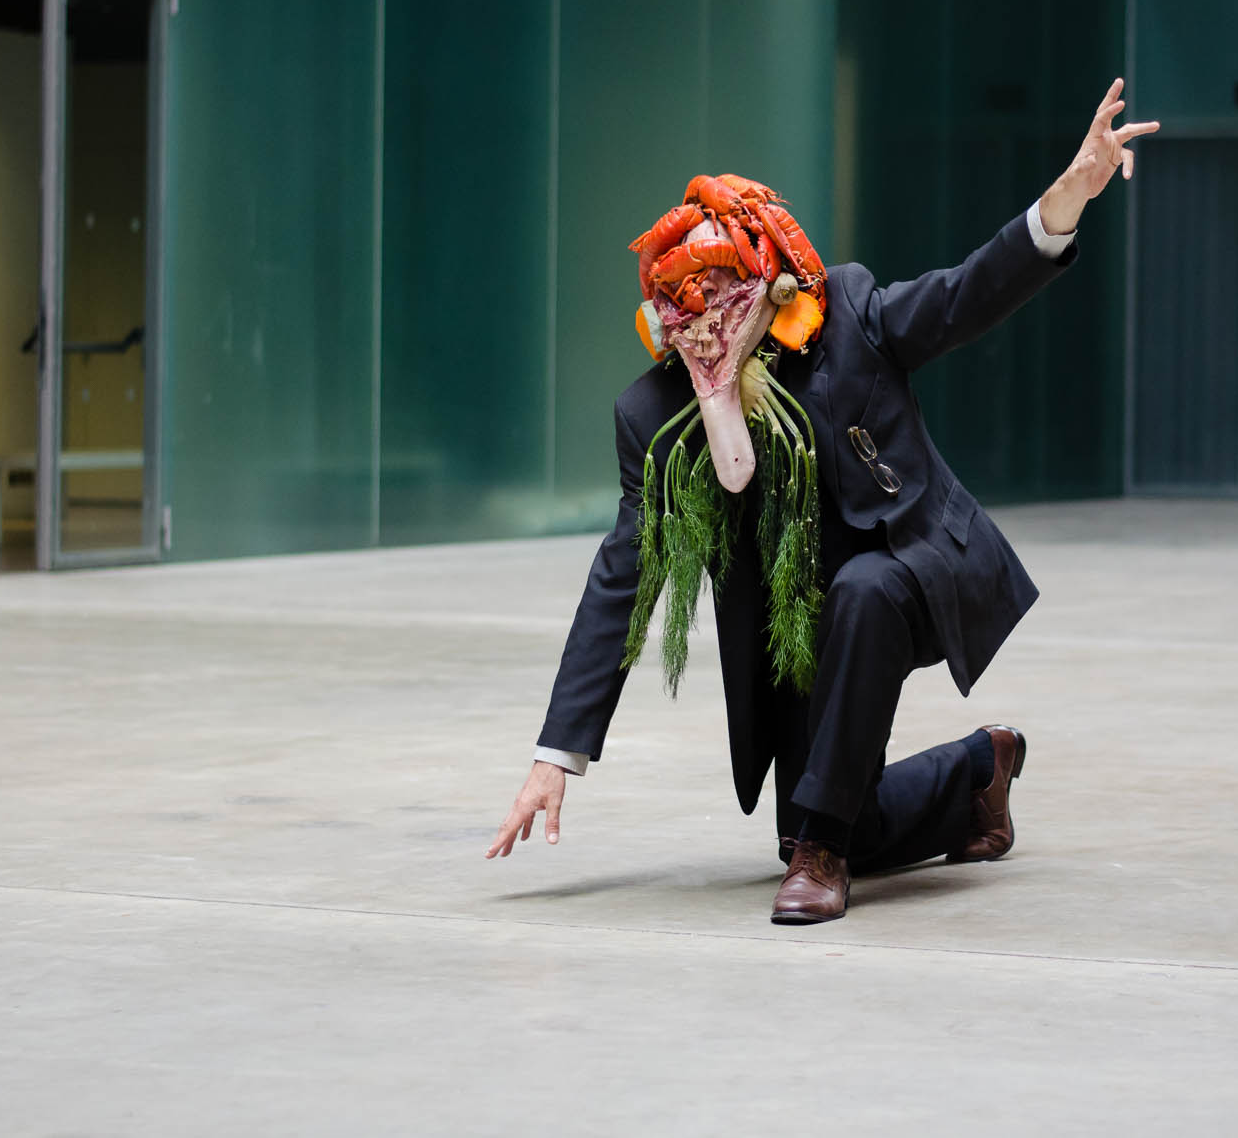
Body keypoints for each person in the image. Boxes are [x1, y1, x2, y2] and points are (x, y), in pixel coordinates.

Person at [487, 78, 1158, 924]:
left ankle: (823, 857)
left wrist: (1064, 201)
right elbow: (623, 575)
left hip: (906, 566)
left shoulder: (846, 318)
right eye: (681, 310)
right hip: (802, 634)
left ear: (763, 284)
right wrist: (556, 754)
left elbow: (964, 294)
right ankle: (975, 774)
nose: (703, 326)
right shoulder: (651, 416)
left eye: (720, 299)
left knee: (861, 604)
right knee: (830, 811)